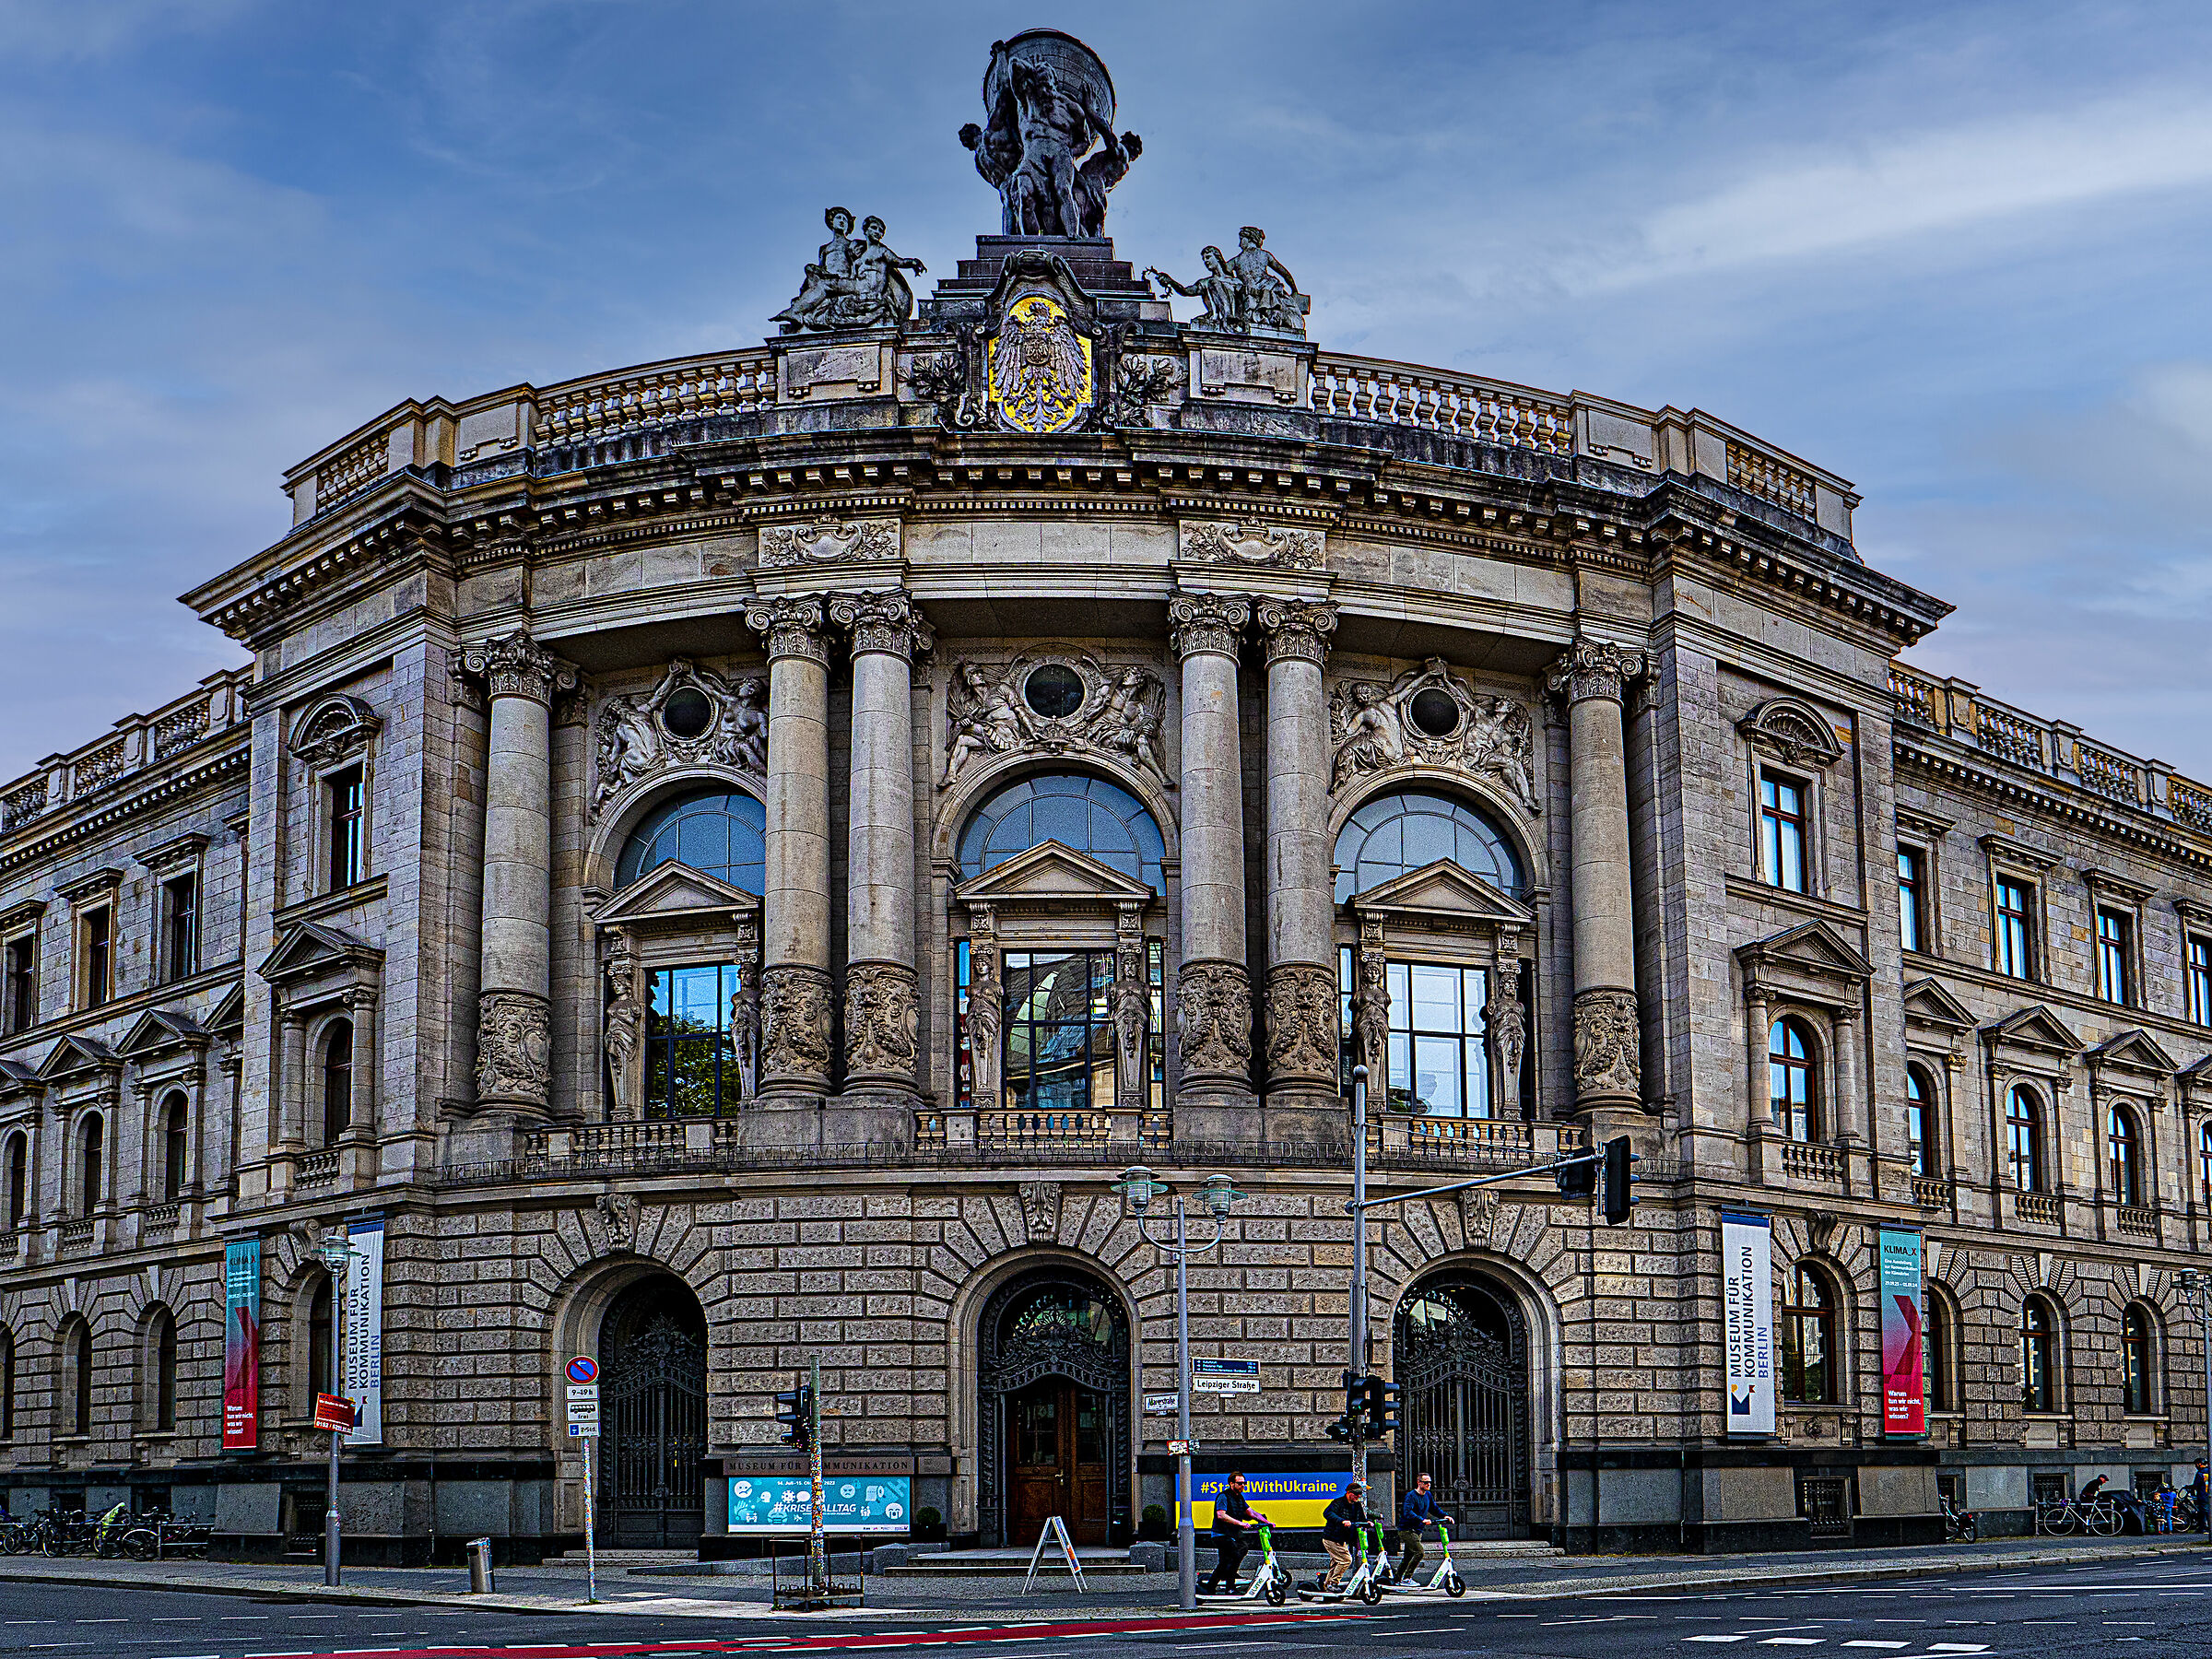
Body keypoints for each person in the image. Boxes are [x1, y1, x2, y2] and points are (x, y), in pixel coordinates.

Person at [1200, 1471, 1256, 1593]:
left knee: (1237, 1553)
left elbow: (1251, 1513)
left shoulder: (1239, 1498)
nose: (1243, 1486)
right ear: (1231, 1483)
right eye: (1240, 1483)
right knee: (1232, 1556)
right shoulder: (1223, 1497)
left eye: (1244, 1483)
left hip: (1232, 1534)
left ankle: (1216, 1583)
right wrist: (1241, 1523)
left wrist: (1266, 1522)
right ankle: (1228, 1586)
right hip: (1221, 1534)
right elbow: (1221, 1515)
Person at [1314, 1479, 1369, 1592]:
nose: (1358, 1496)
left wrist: (1369, 1522)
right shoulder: (1338, 1503)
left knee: (1336, 1563)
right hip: (1332, 1538)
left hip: (1343, 1539)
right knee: (1346, 1560)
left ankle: (1327, 1585)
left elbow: (1361, 1518)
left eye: (1360, 1494)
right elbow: (1327, 1513)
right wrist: (1342, 1521)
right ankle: (1333, 1583)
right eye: (1356, 1494)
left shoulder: (1357, 1505)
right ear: (1349, 1493)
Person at [1396, 1471, 1439, 1582]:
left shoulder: (1428, 1495)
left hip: (1418, 1530)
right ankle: (1407, 1578)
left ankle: (1397, 1579)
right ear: (1419, 1483)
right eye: (1426, 1482)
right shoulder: (1411, 1496)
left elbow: (1434, 1508)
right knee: (1419, 1553)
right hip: (1407, 1530)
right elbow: (1407, 1512)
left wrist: (1446, 1516)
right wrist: (1422, 1519)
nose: (1428, 1484)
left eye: (1429, 1482)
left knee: (1407, 1557)